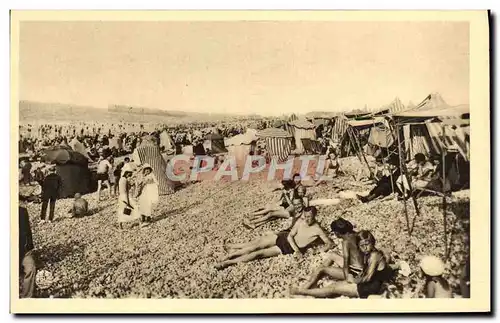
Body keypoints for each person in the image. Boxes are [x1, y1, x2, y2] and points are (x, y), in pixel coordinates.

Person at [216, 206, 334, 270]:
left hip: (288, 249)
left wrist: (318, 250)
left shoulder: (317, 229)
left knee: (259, 254)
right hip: (284, 239)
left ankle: (229, 262)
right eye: (305, 216)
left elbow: (329, 243)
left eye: (309, 217)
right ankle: (229, 255)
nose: (307, 219)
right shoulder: (300, 221)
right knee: (256, 245)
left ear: (315, 216)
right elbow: (291, 236)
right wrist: (298, 250)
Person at [291, 230, 392, 298]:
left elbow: (367, 278)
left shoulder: (374, 255)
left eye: (367, 244)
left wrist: (354, 280)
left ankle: (302, 291)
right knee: (335, 285)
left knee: (333, 288)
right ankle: (308, 288)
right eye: (362, 246)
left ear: (372, 242)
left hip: (369, 288)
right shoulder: (369, 253)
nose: (365, 248)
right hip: (367, 283)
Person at [297, 218, 364, 290]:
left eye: (334, 233)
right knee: (332, 254)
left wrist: (347, 278)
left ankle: (304, 288)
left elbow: (346, 263)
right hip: (363, 268)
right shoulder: (357, 235)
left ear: (337, 233)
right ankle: (313, 275)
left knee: (322, 269)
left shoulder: (345, 242)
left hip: (356, 273)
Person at [19, 197, 37, 298]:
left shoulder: (22, 212)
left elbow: (28, 232)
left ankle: (26, 298)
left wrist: (29, 249)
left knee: (31, 267)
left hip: (24, 251)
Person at [117, 164, 140, 229]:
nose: (130, 175)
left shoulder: (122, 179)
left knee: (123, 211)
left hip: (122, 197)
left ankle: (120, 226)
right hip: (125, 197)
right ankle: (140, 221)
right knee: (134, 208)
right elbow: (124, 191)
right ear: (127, 173)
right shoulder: (124, 180)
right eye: (130, 174)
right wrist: (127, 201)